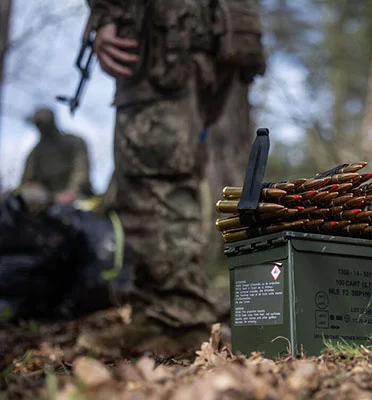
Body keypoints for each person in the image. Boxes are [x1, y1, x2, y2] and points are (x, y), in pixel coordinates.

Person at [76, 0, 257, 356]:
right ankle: (162, 313)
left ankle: (176, 320)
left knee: (151, 175)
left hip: (162, 33)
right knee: (175, 171)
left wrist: (109, 15)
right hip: (213, 32)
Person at [19, 108, 92, 209]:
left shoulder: (74, 142)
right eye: (38, 124)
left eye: (42, 123)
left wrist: (72, 191)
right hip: (46, 200)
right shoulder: (35, 153)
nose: (41, 128)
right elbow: (27, 180)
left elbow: (81, 171)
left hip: (77, 197)